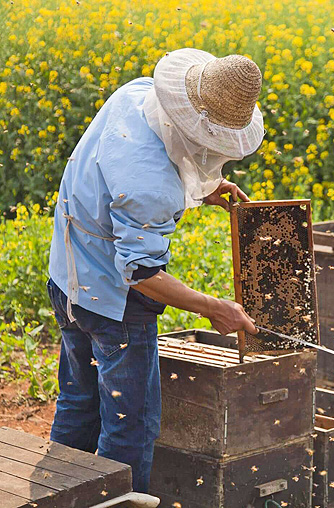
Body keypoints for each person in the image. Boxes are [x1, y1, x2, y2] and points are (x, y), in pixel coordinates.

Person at [46, 48, 262, 493]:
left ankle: (54, 496)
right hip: (111, 303)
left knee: (79, 401)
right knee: (131, 426)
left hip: (66, 275)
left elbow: (126, 169)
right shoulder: (151, 187)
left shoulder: (136, 95)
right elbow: (142, 272)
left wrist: (201, 189)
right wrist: (212, 307)